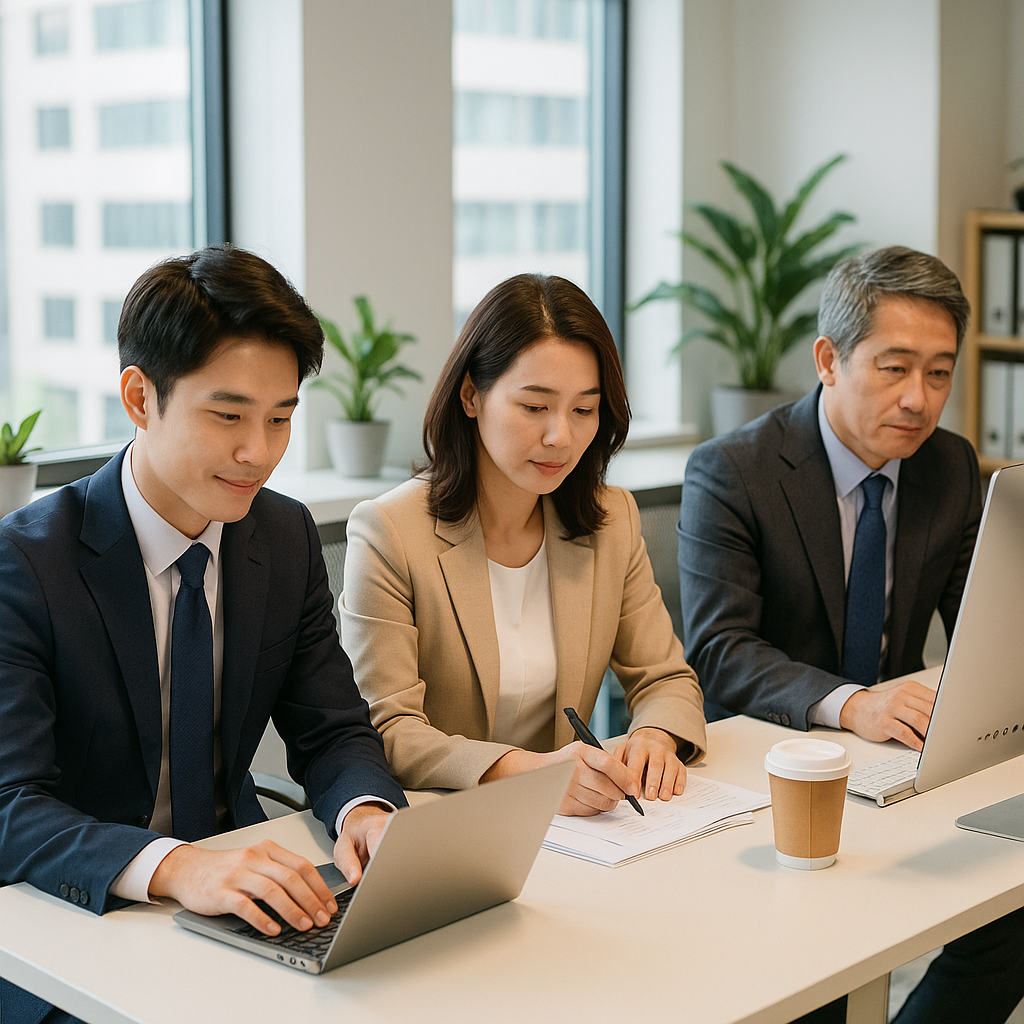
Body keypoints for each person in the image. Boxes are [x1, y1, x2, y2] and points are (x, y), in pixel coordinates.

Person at [0, 246, 406, 1024]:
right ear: (139, 397)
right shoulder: (27, 562)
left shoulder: (282, 536)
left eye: (281, 417)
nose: (260, 452)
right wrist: (178, 868)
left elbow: (333, 730)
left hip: (243, 912)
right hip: (78, 931)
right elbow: (12, 804)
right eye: (228, 416)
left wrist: (366, 814)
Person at [679, 245, 1024, 1024]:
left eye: (940, 373)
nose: (919, 398)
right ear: (829, 359)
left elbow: (985, 625)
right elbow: (720, 650)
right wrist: (850, 703)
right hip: (768, 772)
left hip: (898, 770)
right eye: (895, 367)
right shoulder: (733, 470)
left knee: (1010, 916)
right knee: (821, 991)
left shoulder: (949, 466)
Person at [341, 273, 706, 816]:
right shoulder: (389, 531)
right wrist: (526, 772)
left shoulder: (612, 520)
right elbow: (388, 728)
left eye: (584, 410)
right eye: (535, 407)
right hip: (446, 825)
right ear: (471, 395)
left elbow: (665, 677)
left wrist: (655, 737)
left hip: (575, 828)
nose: (561, 435)